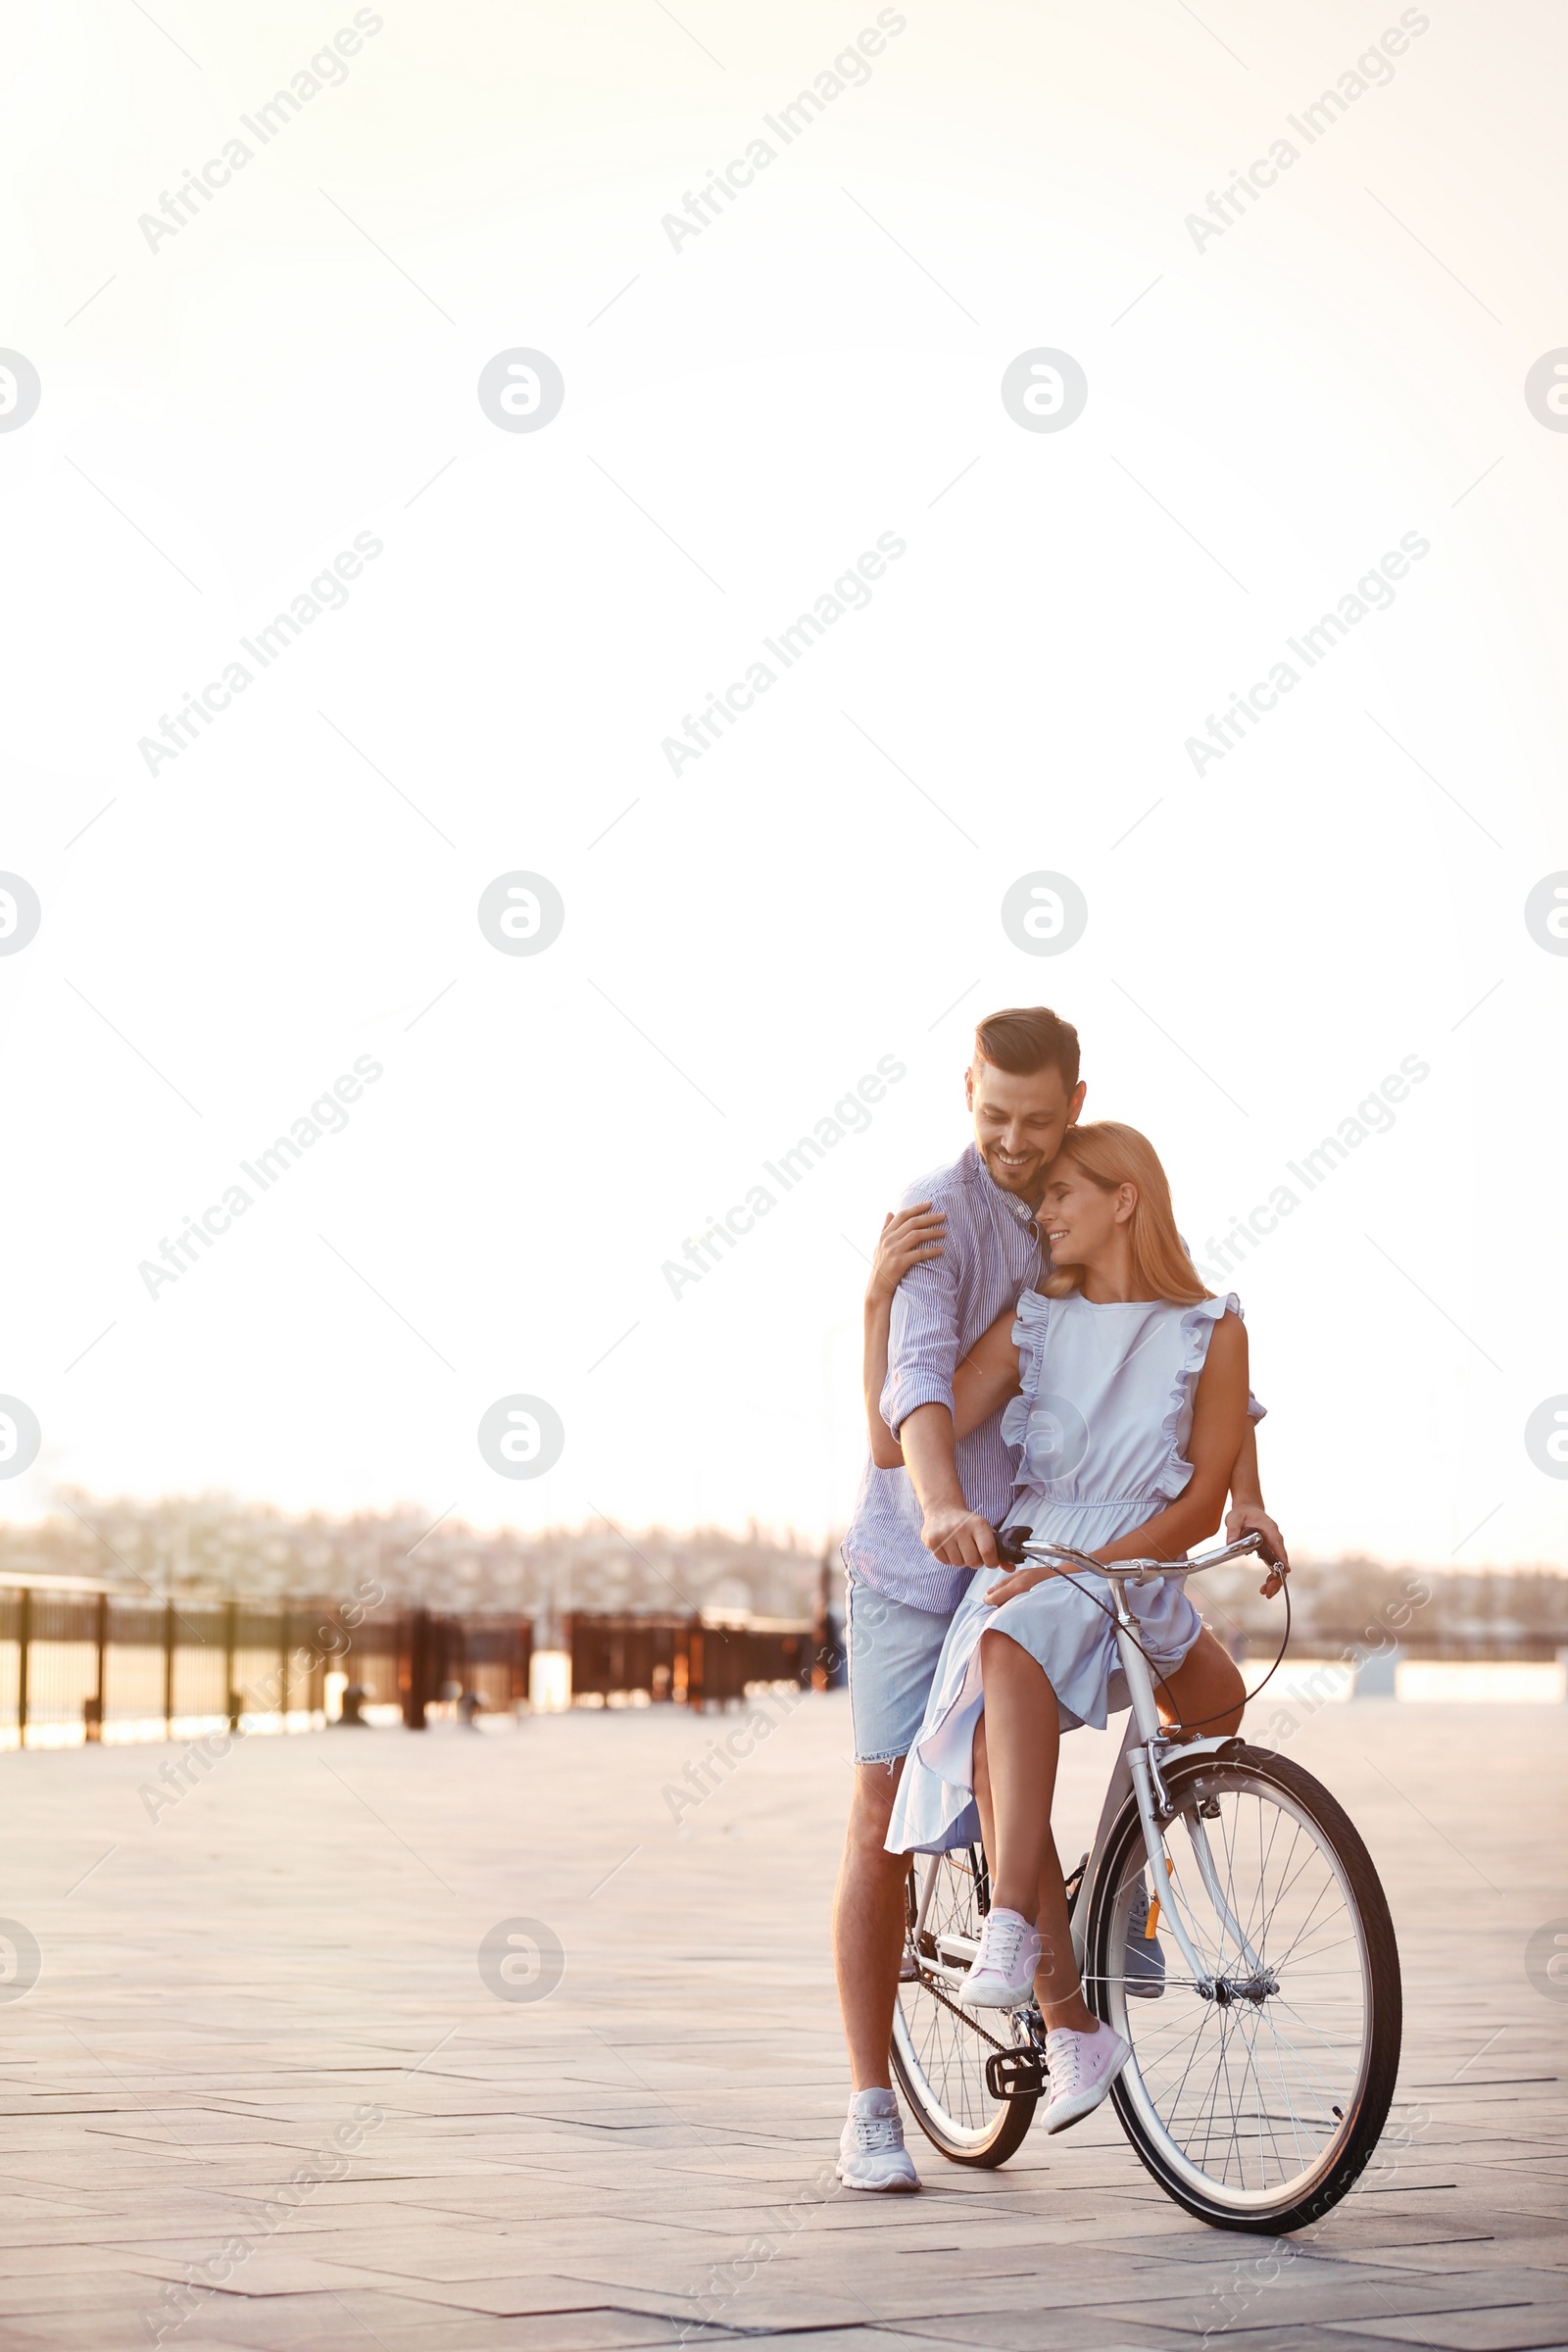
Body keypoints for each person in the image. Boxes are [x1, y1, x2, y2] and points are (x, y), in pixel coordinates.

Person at [832, 1006, 1286, 2194]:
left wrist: (1244, 1496)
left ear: (1077, 1105)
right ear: (964, 1093)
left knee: (1197, 1703)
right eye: (993, 1117)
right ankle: (879, 2097)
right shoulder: (939, 1218)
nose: (1017, 1153)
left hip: (1055, 1547)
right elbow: (919, 1396)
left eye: (1039, 1126)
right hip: (929, 1558)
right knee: (890, 1811)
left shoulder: (1118, 1250)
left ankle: (1111, 1901)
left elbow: (1204, 1397)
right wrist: (933, 1489)